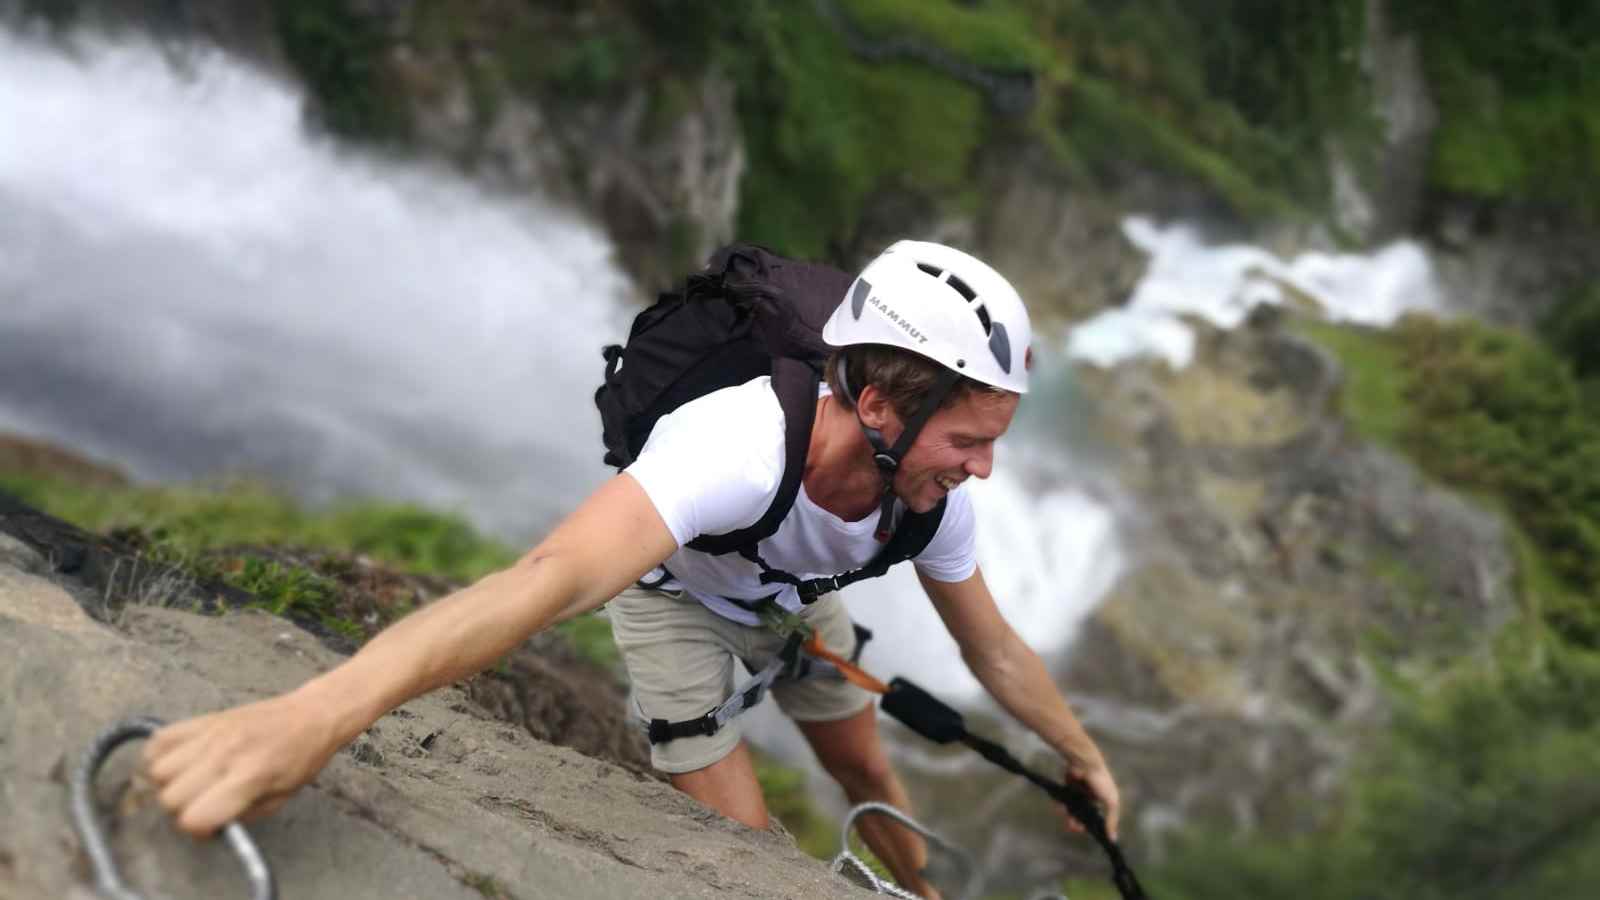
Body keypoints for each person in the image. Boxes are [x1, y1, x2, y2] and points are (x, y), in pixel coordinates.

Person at [143, 240, 1122, 899]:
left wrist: (1082, 757)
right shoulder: (733, 448)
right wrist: (313, 716)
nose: (982, 472)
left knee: (863, 761)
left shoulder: (932, 498)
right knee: (747, 863)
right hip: (679, 608)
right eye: (967, 438)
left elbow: (989, 645)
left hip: (790, 608)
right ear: (876, 408)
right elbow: (551, 579)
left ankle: (919, 892)